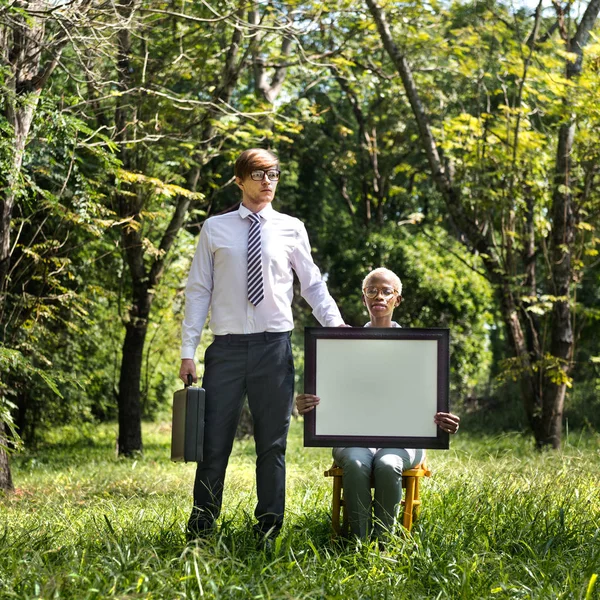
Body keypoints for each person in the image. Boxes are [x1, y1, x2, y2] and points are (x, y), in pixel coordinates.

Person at [179, 148, 346, 544]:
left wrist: (339, 329)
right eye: (258, 174)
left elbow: (312, 284)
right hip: (226, 351)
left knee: (272, 446)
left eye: (273, 174)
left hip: (274, 350)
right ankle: (201, 532)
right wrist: (188, 349)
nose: (267, 181)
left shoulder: (291, 227)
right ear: (239, 179)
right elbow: (199, 290)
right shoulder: (215, 229)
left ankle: (268, 530)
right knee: (213, 445)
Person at [296, 267, 460, 541]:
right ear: (364, 298)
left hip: (404, 439)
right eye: (371, 290)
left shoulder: (420, 348)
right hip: (352, 437)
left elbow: (429, 398)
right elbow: (329, 391)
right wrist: (306, 405)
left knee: (388, 462)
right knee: (356, 462)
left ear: (398, 299)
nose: (379, 296)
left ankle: (384, 541)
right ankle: (360, 543)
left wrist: (445, 421)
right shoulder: (341, 345)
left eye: (387, 291)